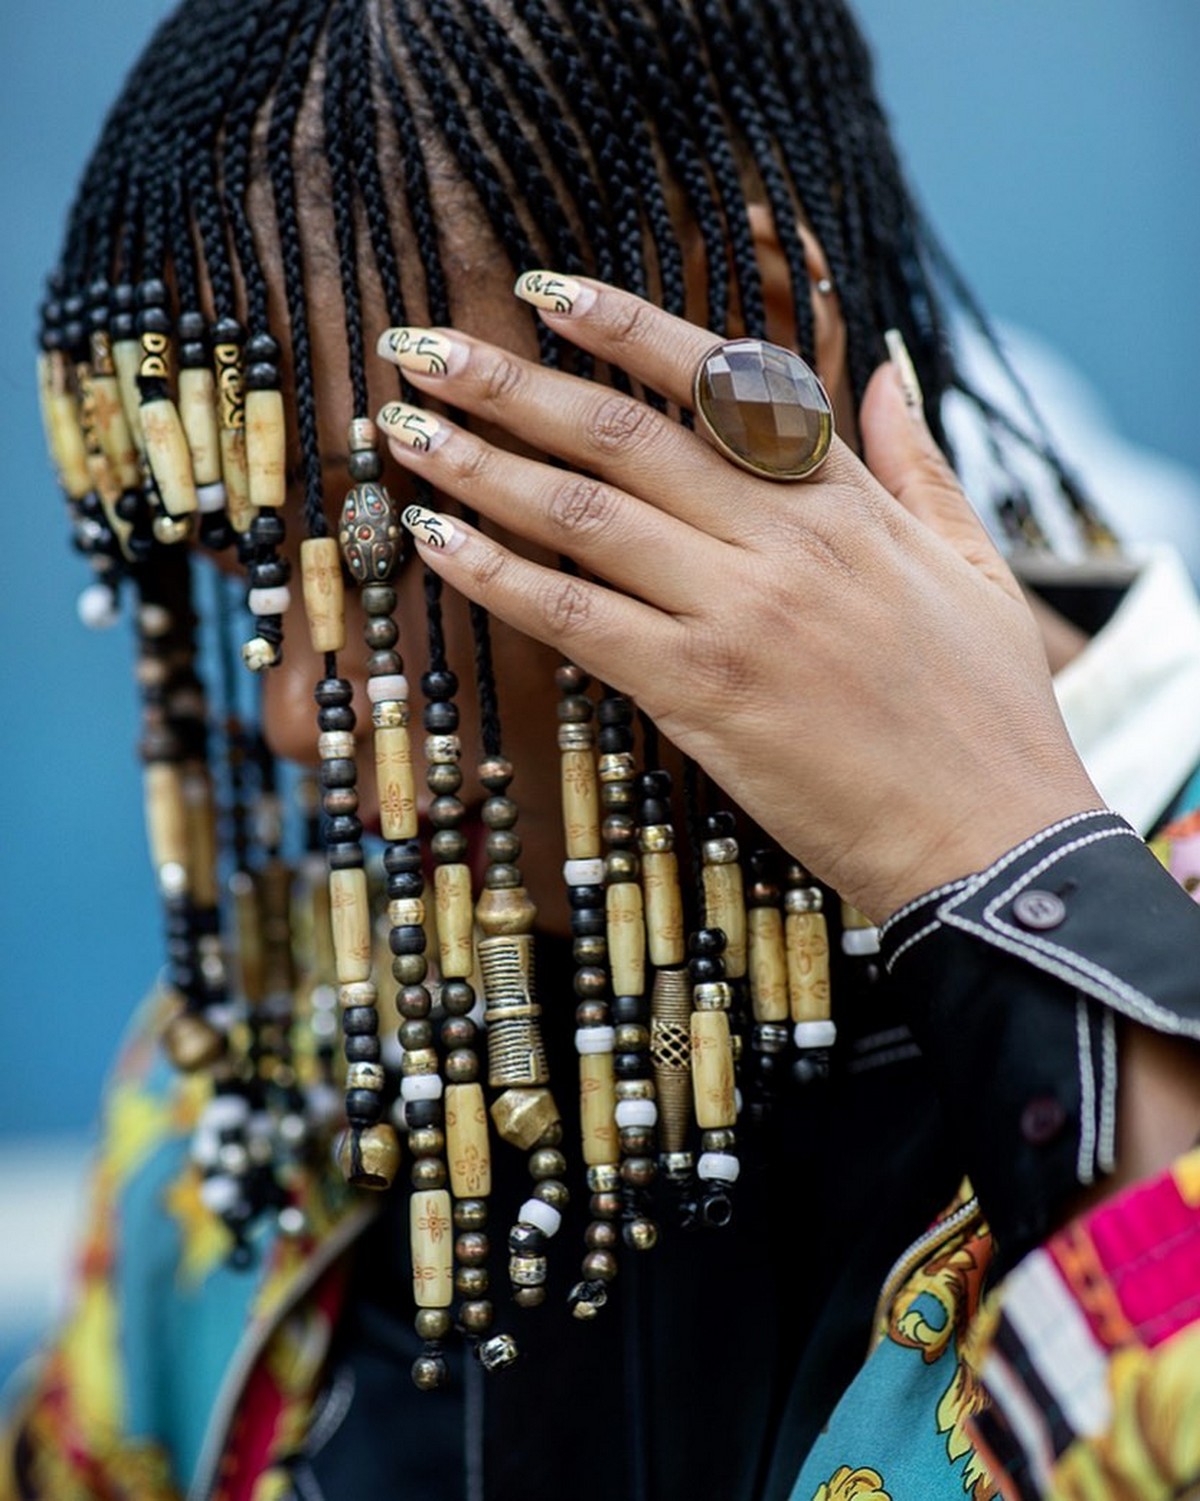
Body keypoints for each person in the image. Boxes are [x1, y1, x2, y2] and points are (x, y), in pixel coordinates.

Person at [7, 2, 1200, 1499]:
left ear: (749, 332)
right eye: (244, 568)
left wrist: (1010, 872)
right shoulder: (270, 1080)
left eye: (379, 549)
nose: (285, 714)